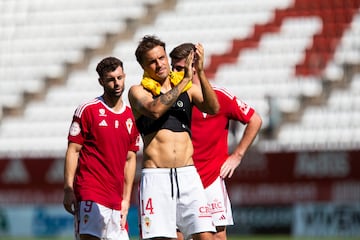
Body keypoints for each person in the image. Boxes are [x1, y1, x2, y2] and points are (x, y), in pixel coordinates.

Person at [128, 35, 220, 240]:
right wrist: (185, 80)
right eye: (152, 61)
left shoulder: (187, 89)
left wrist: (200, 72)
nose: (159, 64)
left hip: (188, 174)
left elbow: (213, 107)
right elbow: (154, 109)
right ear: (143, 65)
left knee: (206, 236)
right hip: (156, 177)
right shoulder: (138, 91)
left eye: (162, 58)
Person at [170, 43, 263, 240]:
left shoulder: (219, 96)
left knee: (217, 236)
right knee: (177, 235)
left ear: (194, 66)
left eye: (179, 68)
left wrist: (237, 155)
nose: (173, 73)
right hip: (182, 179)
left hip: (211, 178)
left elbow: (255, 120)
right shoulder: (173, 99)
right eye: (173, 68)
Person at [63, 56, 140, 240]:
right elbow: (73, 150)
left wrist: (126, 199)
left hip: (116, 200)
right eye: (111, 80)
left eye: (119, 78)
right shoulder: (88, 110)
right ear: (101, 82)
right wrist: (68, 188)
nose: (116, 83)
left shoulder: (131, 116)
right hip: (91, 192)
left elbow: (130, 159)